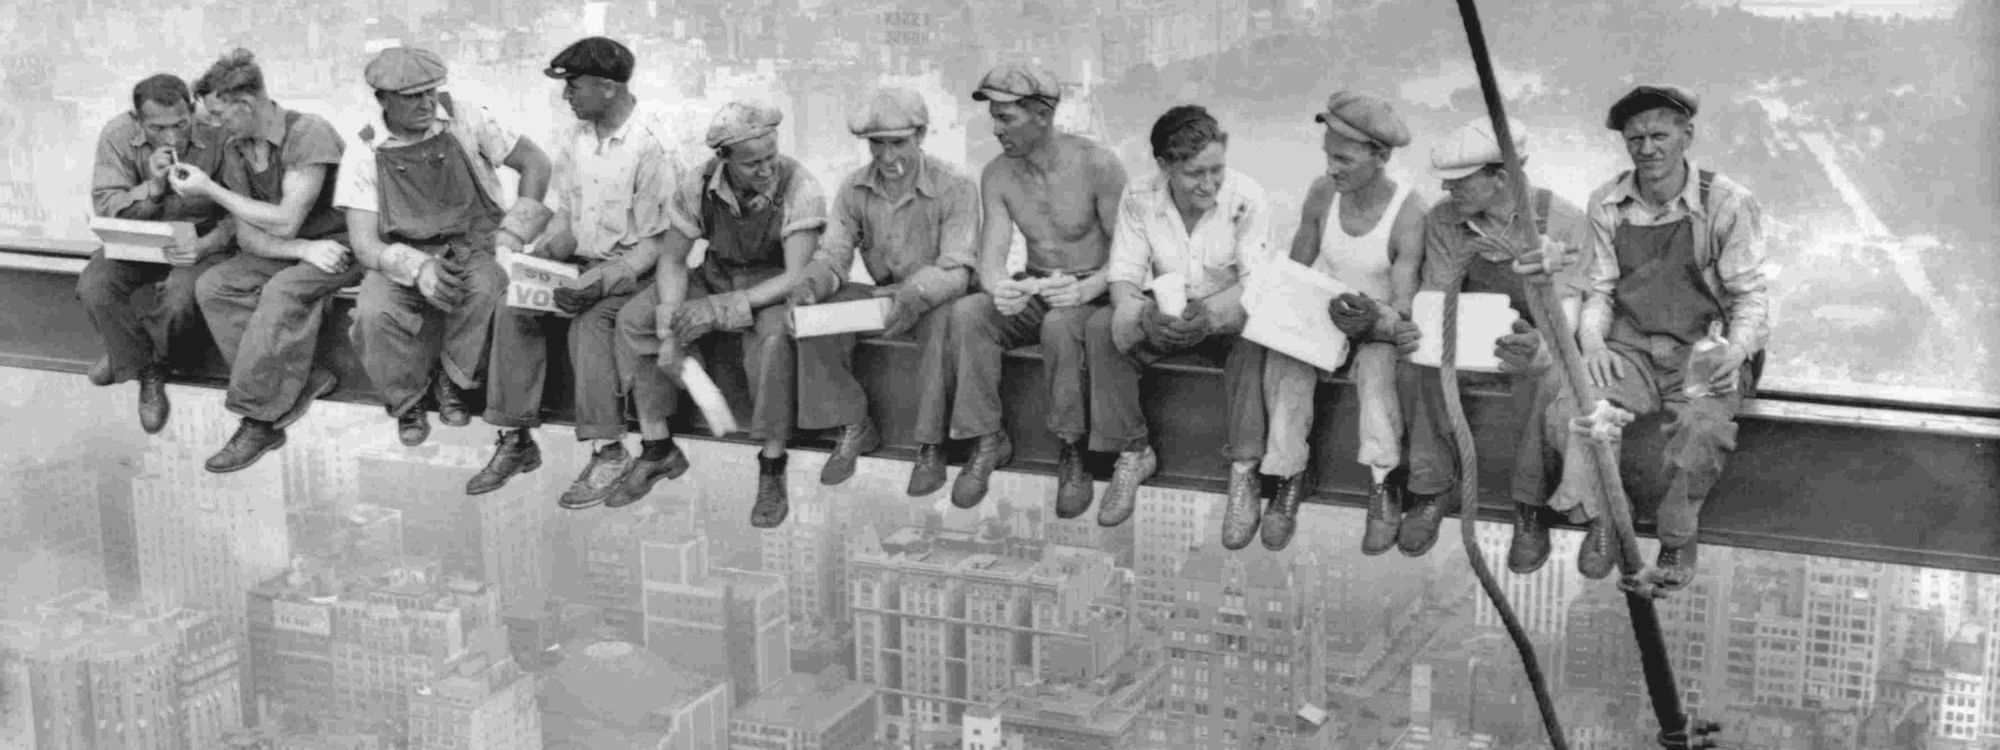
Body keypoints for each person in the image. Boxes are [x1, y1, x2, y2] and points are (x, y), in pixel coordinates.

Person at [1522, 85, 1769, 588]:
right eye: (1635, 139)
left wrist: (1737, 352)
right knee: (1575, 410)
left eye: (1659, 135)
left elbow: (1751, 296)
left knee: (1702, 430)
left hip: (1704, 350)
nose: (1648, 149)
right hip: (1631, 346)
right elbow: (1600, 289)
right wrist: (1593, 345)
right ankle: (1608, 517)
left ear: (1686, 136)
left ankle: (1678, 538)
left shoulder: (1725, 202)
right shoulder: (1608, 202)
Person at [470, 36, 689, 508]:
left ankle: (607, 449)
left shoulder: (651, 147)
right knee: (516, 309)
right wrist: (538, 256)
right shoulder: (577, 137)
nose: (566, 95)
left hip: (633, 274)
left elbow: (658, 242)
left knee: (591, 327)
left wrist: (601, 281)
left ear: (608, 87)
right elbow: (565, 215)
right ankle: (515, 436)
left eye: (574, 86)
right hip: (581, 265)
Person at [616, 99, 828, 528]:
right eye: (752, 164)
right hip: (716, 273)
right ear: (725, 159)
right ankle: (658, 446)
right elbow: (674, 260)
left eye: (771, 157)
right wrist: (671, 321)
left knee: (772, 342)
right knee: (636, 320)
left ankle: (772, 463)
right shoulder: (698, 184)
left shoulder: (801, 187)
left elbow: (795, 274)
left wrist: (718, 310)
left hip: (770, 287)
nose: (766, 169)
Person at [336, 46, 554, 448]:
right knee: (372, 313)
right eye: (411, 96)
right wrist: (417, 268)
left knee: (487, 290)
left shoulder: (466, 118)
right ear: (383, 99)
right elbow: (365, 243)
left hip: (475, 243)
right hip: (404, 253)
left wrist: (512, 235)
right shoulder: (364, 150)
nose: (425, 103)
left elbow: (537, 164)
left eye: (430, 91)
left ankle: (454, 382)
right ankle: (407, 401)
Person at [1086, 105, 1279, 546]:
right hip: (1167, 311)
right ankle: (1133, 452)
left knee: (1254, 342)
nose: (1209, 184)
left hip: (1228, 316)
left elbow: (1257, 286)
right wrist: (1144, 316)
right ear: (1163, 167)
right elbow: (1123, 277)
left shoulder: (1247, 198)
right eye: (1195, 174)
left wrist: (1210, 317)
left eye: (1216, 170)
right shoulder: (1138, 197)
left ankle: (1245, 472)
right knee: (1102, 329)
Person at [1406, 117, 1591, 572]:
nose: (1450, 190)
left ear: (1502, 178)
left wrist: (1539, 347)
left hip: (1536, 339)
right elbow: (1437, 296)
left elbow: (1566, 312)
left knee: (1546, 379)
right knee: (1416, 363)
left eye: (1461, 181)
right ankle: (1432, 487)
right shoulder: (1445, 220)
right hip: (1467, 335)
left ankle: (1528, 508)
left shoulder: (1563, 222)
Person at [947, 62, 1128, 517]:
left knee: (1061, 325)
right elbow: (992, 257)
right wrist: (1000, 288)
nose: (996, 129)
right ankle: (987, 438)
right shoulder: (998, 175)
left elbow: (1130, 256)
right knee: (970, 313)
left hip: (1093, 291)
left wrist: (1087, 289)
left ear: (1042, 115)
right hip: (1037, 283)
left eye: (1006, 118)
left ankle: (1072, 450)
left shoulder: (1098, 165)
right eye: (994, 117)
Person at [787, 86, 979, 494]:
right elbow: (835, 253)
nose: (888, 157)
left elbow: (957, 268)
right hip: (885, 299)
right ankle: (853, 422)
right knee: (814, 319)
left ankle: (930, 445)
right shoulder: (854, 188)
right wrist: (810, 285)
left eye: (898, 144)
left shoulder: (955, 186)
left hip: (935, 297)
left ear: (921, 135)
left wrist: (911, 294)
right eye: (878, 145)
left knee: (942, 324)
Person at [1263, 91, 1427, 556]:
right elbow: (1297, 267)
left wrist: (1374, 320)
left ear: (1380, 157)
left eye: (1343, 159)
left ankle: (1382, 482)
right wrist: (1283, 312)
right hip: (1325, 315)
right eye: (1328, 156)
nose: (1332, 168)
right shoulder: (1322, 193)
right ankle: (1288, 474)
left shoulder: (1408, 214)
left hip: (1375, 326)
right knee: (1287, 361)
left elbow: (1404, 302)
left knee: (1377, 372)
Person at [177, 49, 355, 473]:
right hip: (301, 249)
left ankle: (257, 420)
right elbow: (247, 231)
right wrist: (300, 251)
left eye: (220, 115)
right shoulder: (238, 146)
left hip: (342, 245)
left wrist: (211, 191)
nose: (216, 126)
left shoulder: (308, 133)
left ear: (247, 104)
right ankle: (304, 378)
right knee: (215, 286)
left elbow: (286, 218)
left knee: (281, 292)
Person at [81, 73, 234, 434]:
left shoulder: (219, 133)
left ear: (192, 111)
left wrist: (205, 246)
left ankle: (133, 357)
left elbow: (237, 211)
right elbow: (107, 205)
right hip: (136, 238)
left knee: (180, 300)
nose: (172, 137)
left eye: (181, 124)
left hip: (198, 240)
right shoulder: (117, 135)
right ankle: (143, 366)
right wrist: (153, 187)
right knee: (95, 287)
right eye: (158, 128)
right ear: (137, 120)